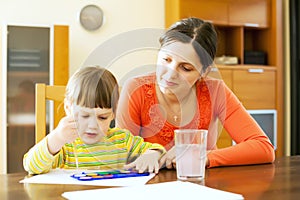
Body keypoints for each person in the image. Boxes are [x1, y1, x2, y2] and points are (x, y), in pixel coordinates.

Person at [116, 17, 275, 169]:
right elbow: (120, 155)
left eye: (186, 68)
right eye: (166, 60)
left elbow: (263, 147)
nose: (170, 74)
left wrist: (203, 157)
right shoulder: (136, 89)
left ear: (204, 72)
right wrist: (152, 153)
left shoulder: (215, 91)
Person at [23, 66, 166, 175]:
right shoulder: (65, 146)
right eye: (84, 116)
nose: (93, 125)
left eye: (102, 117)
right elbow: (31, 166)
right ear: (68, 108)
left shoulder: (123, 140)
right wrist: (56, 138)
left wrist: (153, 153)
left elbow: (159, 150)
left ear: (114, 113)